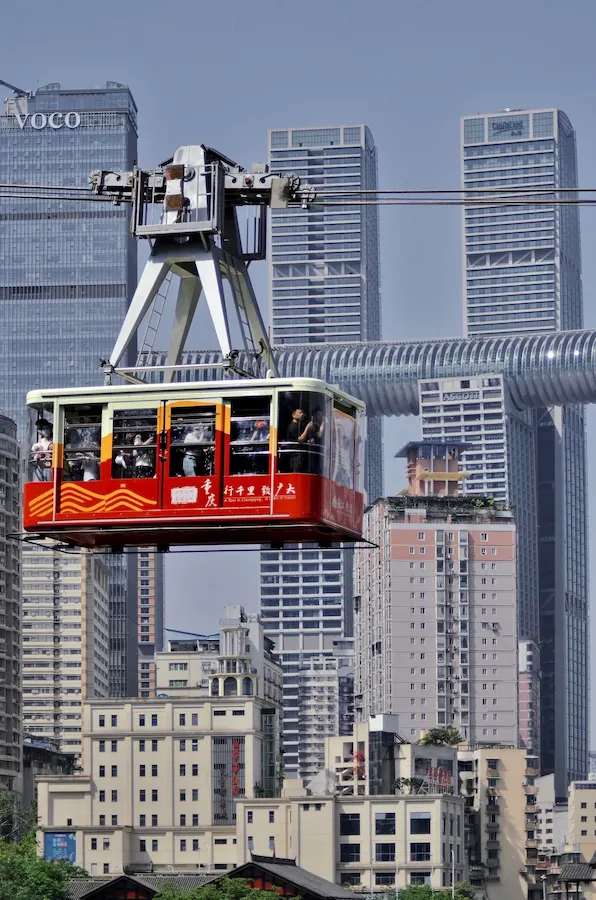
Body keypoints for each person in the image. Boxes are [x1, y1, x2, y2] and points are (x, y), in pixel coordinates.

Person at [285, 409, 313, 473]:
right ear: (293, 415)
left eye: (302, 413)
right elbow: (300, 439)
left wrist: (309, 440)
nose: (302, 414)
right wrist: (307, 428)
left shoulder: (300, 426)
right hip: (296, 456)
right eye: (300, 413)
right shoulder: (292, 426)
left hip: (301, 455)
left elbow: (304, 438)